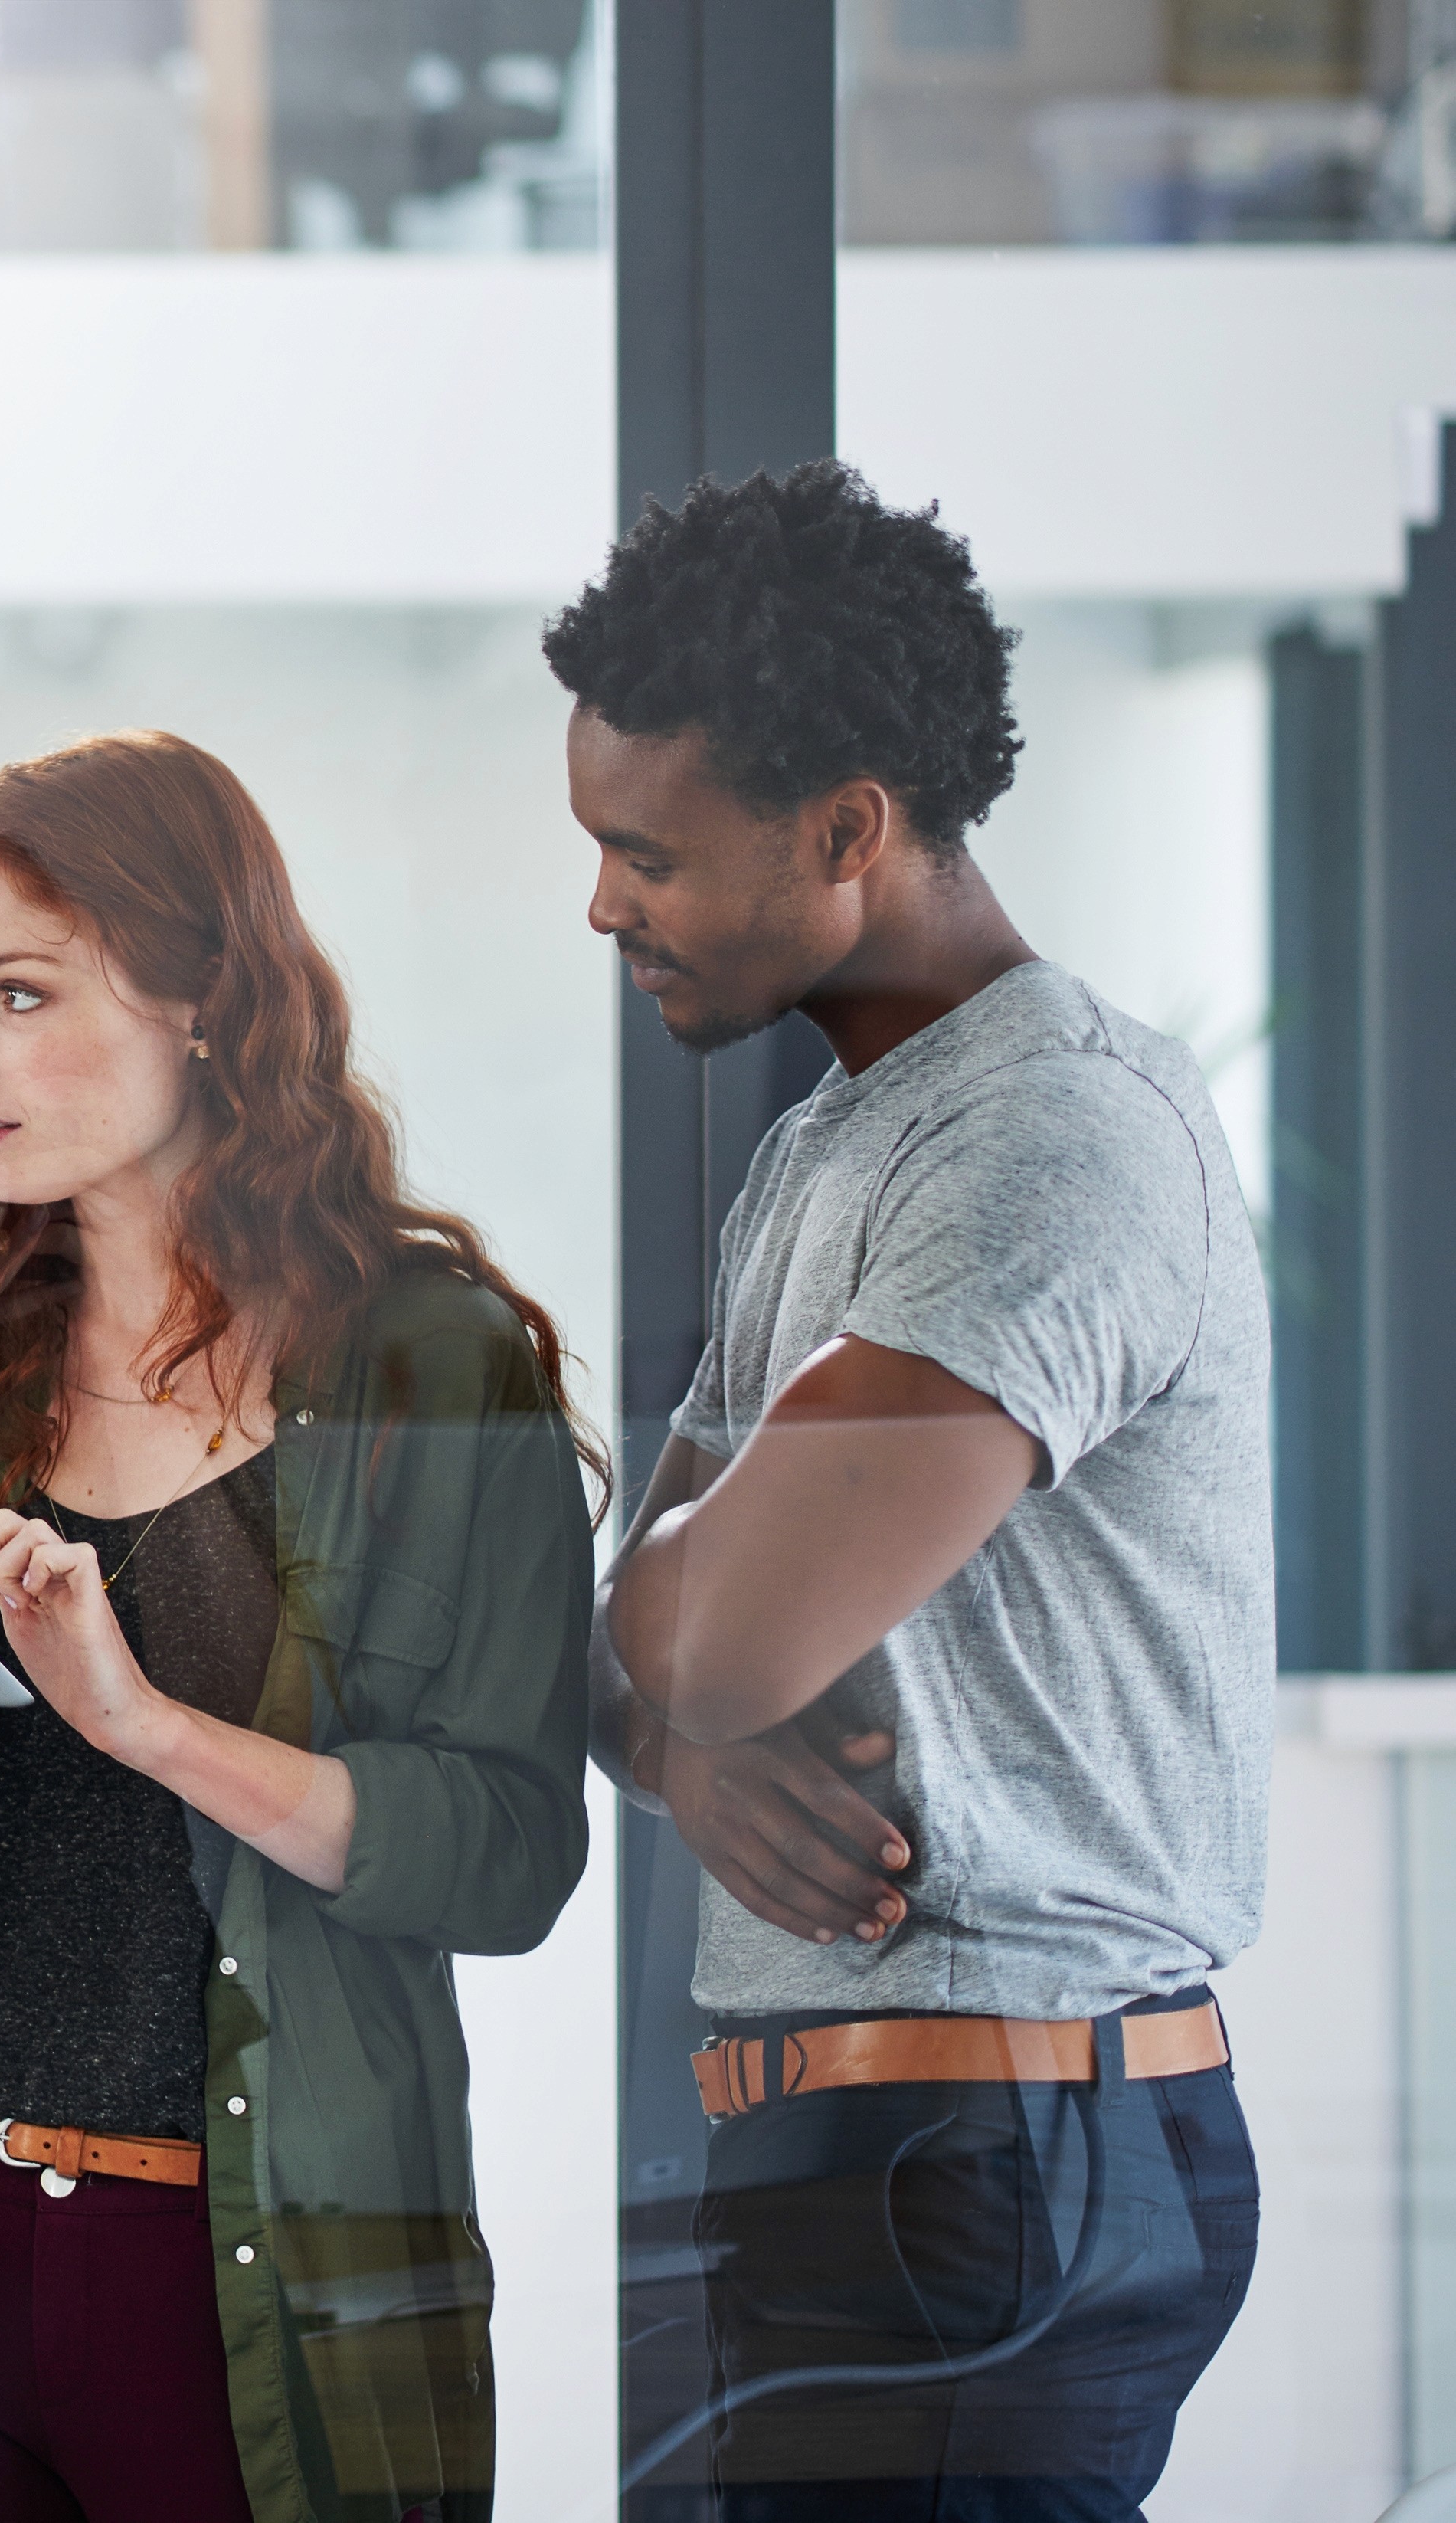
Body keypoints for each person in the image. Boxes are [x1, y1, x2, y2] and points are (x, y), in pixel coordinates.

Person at [0, 731, 597, 2523]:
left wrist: (146, 1722)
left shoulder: (430, 1365)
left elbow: (504, 1860)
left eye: (18, 993)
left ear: (204, 1002)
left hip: (267, 2270)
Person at [553, 460, 1268, 2518]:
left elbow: (715, 1623)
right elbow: (639, 1632)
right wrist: (684, 1754)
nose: (604, 903)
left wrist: (676, 1662)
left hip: (993, 2166)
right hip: (852, 2154)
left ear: (847, 827)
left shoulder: (1047, 1147)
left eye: (645, 850)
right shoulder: (836, 1147)